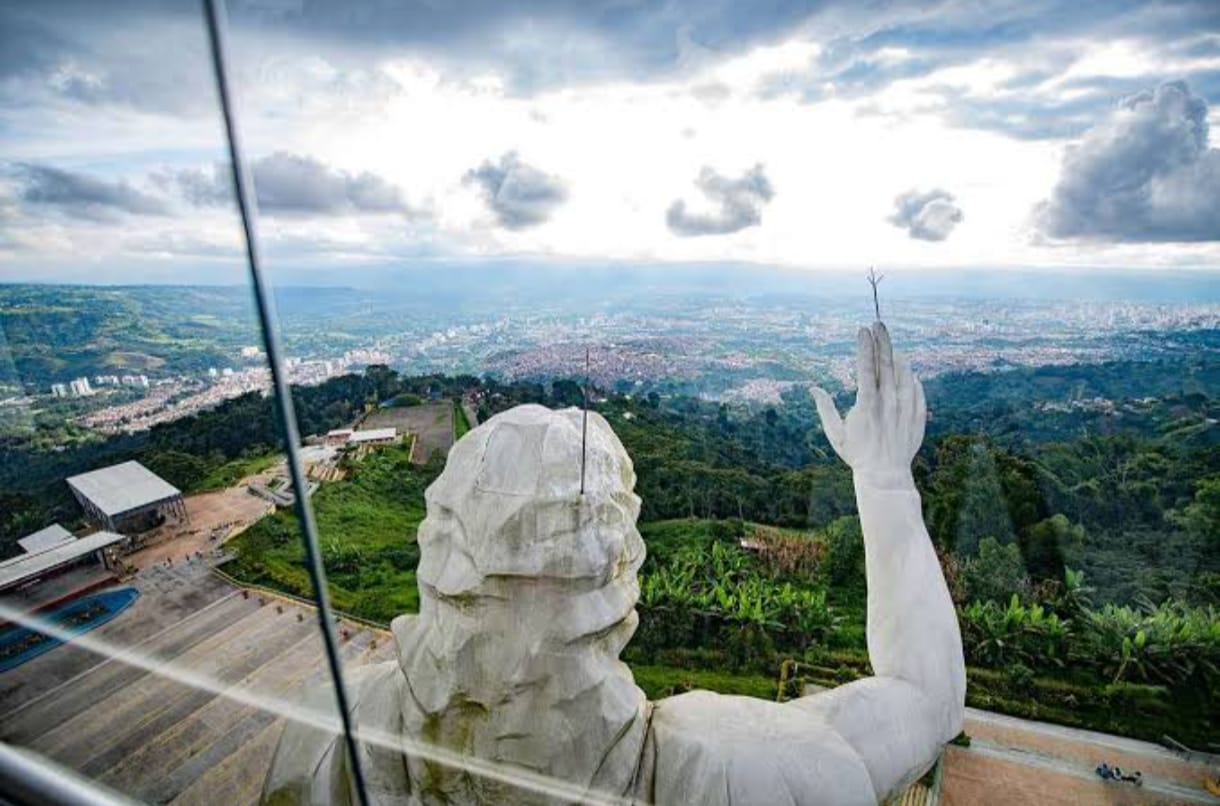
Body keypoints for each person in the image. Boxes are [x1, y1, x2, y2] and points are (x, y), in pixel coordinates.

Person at [264, 323, 966, 806]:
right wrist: (883, 481)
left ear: (436, 552)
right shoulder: (739, 771)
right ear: (621, 572)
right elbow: (926, 699)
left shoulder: (334, 732)